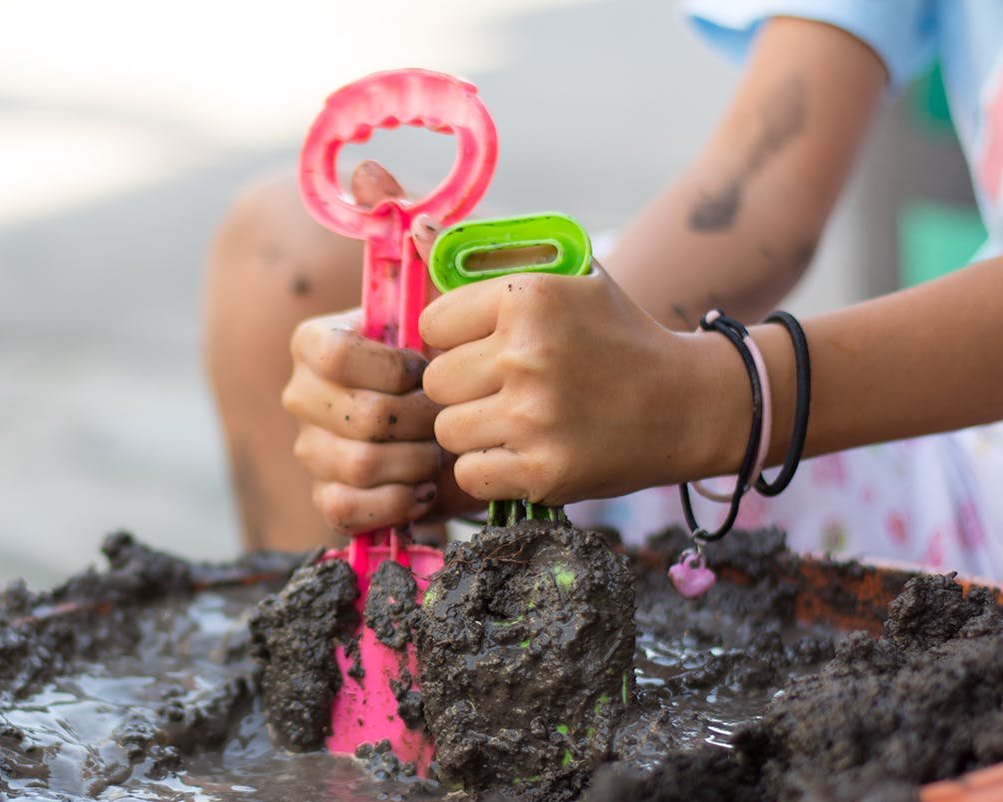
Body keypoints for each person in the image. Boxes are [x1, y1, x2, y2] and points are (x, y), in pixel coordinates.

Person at [205, 4, 1003, 581]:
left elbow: (716, 399)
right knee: (288, 259)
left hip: (916, 401)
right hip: (967, 488)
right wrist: (483, 396)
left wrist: (721, 399)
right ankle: (340, 760)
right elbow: (755, 197)